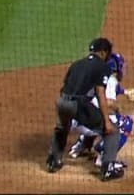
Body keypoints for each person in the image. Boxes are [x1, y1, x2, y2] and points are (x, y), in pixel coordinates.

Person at [45, 37, 126, 182]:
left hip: (61, 102)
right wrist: (106, 122)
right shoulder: (102, 67)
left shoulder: (76, 64)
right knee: (112, 132)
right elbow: (100, 94)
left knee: (61, 129)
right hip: (78, 104)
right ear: (102, 52)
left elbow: (65, 86)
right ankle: (107, 169)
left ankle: (53, 161)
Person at [68, 52, 134, 169]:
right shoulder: (111, 80)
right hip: (84, 122)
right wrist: (117, 109)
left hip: (72, 118)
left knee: (96, 115)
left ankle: (80, 147)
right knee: (124, 123)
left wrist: (127, 93)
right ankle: (104, 158)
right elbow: (104, 102)